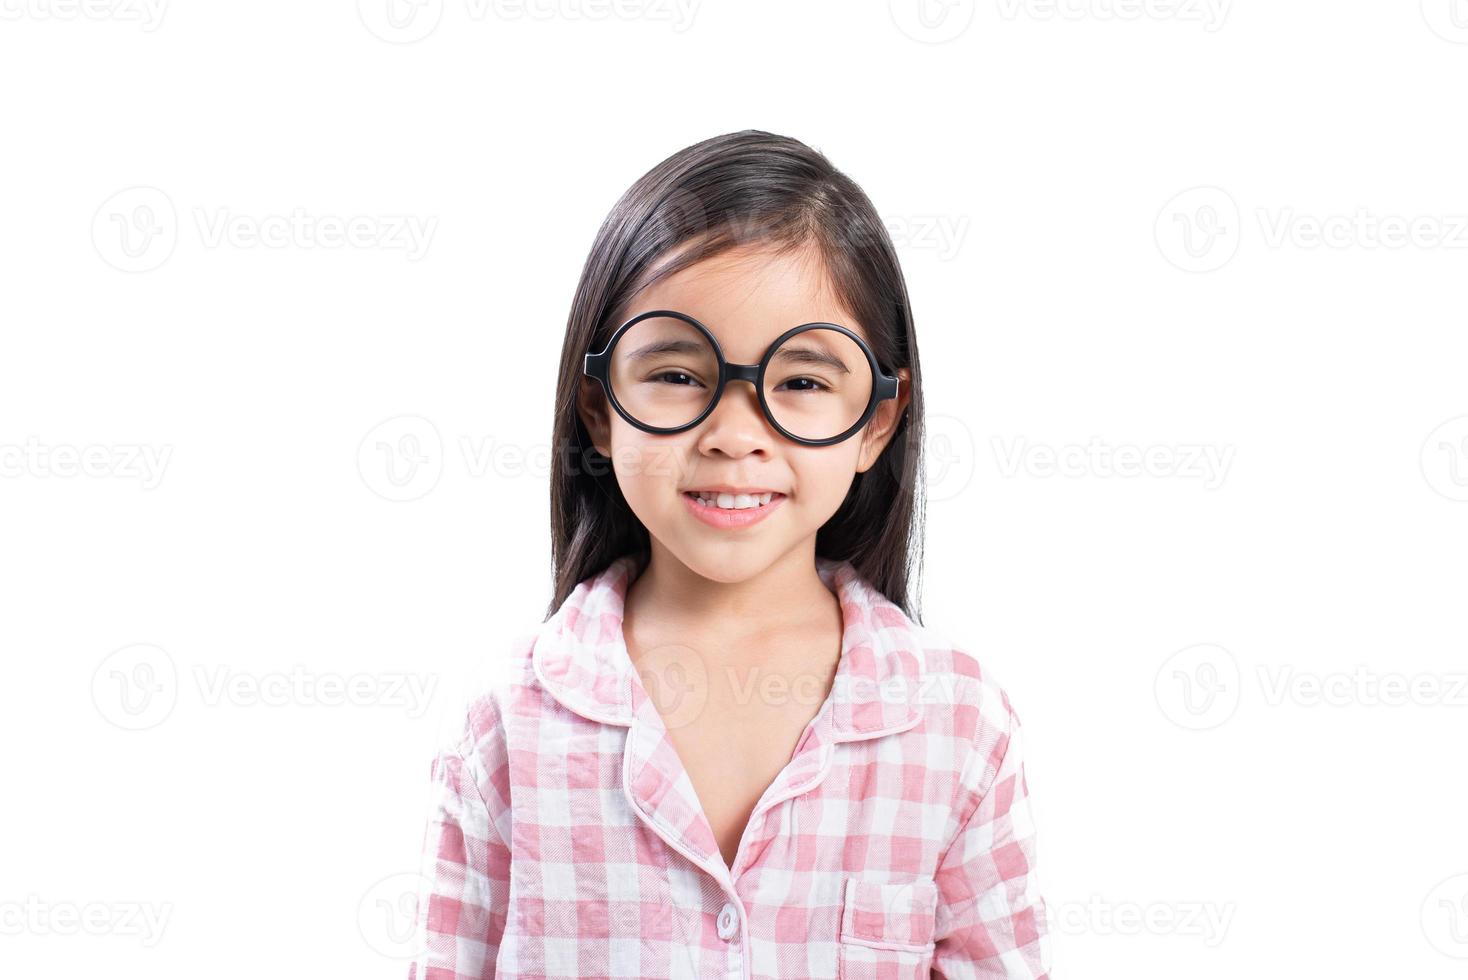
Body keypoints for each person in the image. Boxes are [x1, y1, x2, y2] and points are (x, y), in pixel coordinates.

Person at [407, 129, 1051, 979]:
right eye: (677, 375)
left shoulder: (958, 724)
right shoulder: (507, 724)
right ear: (601, 411)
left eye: (804, 382)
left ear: (877, 424)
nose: (735, 436)